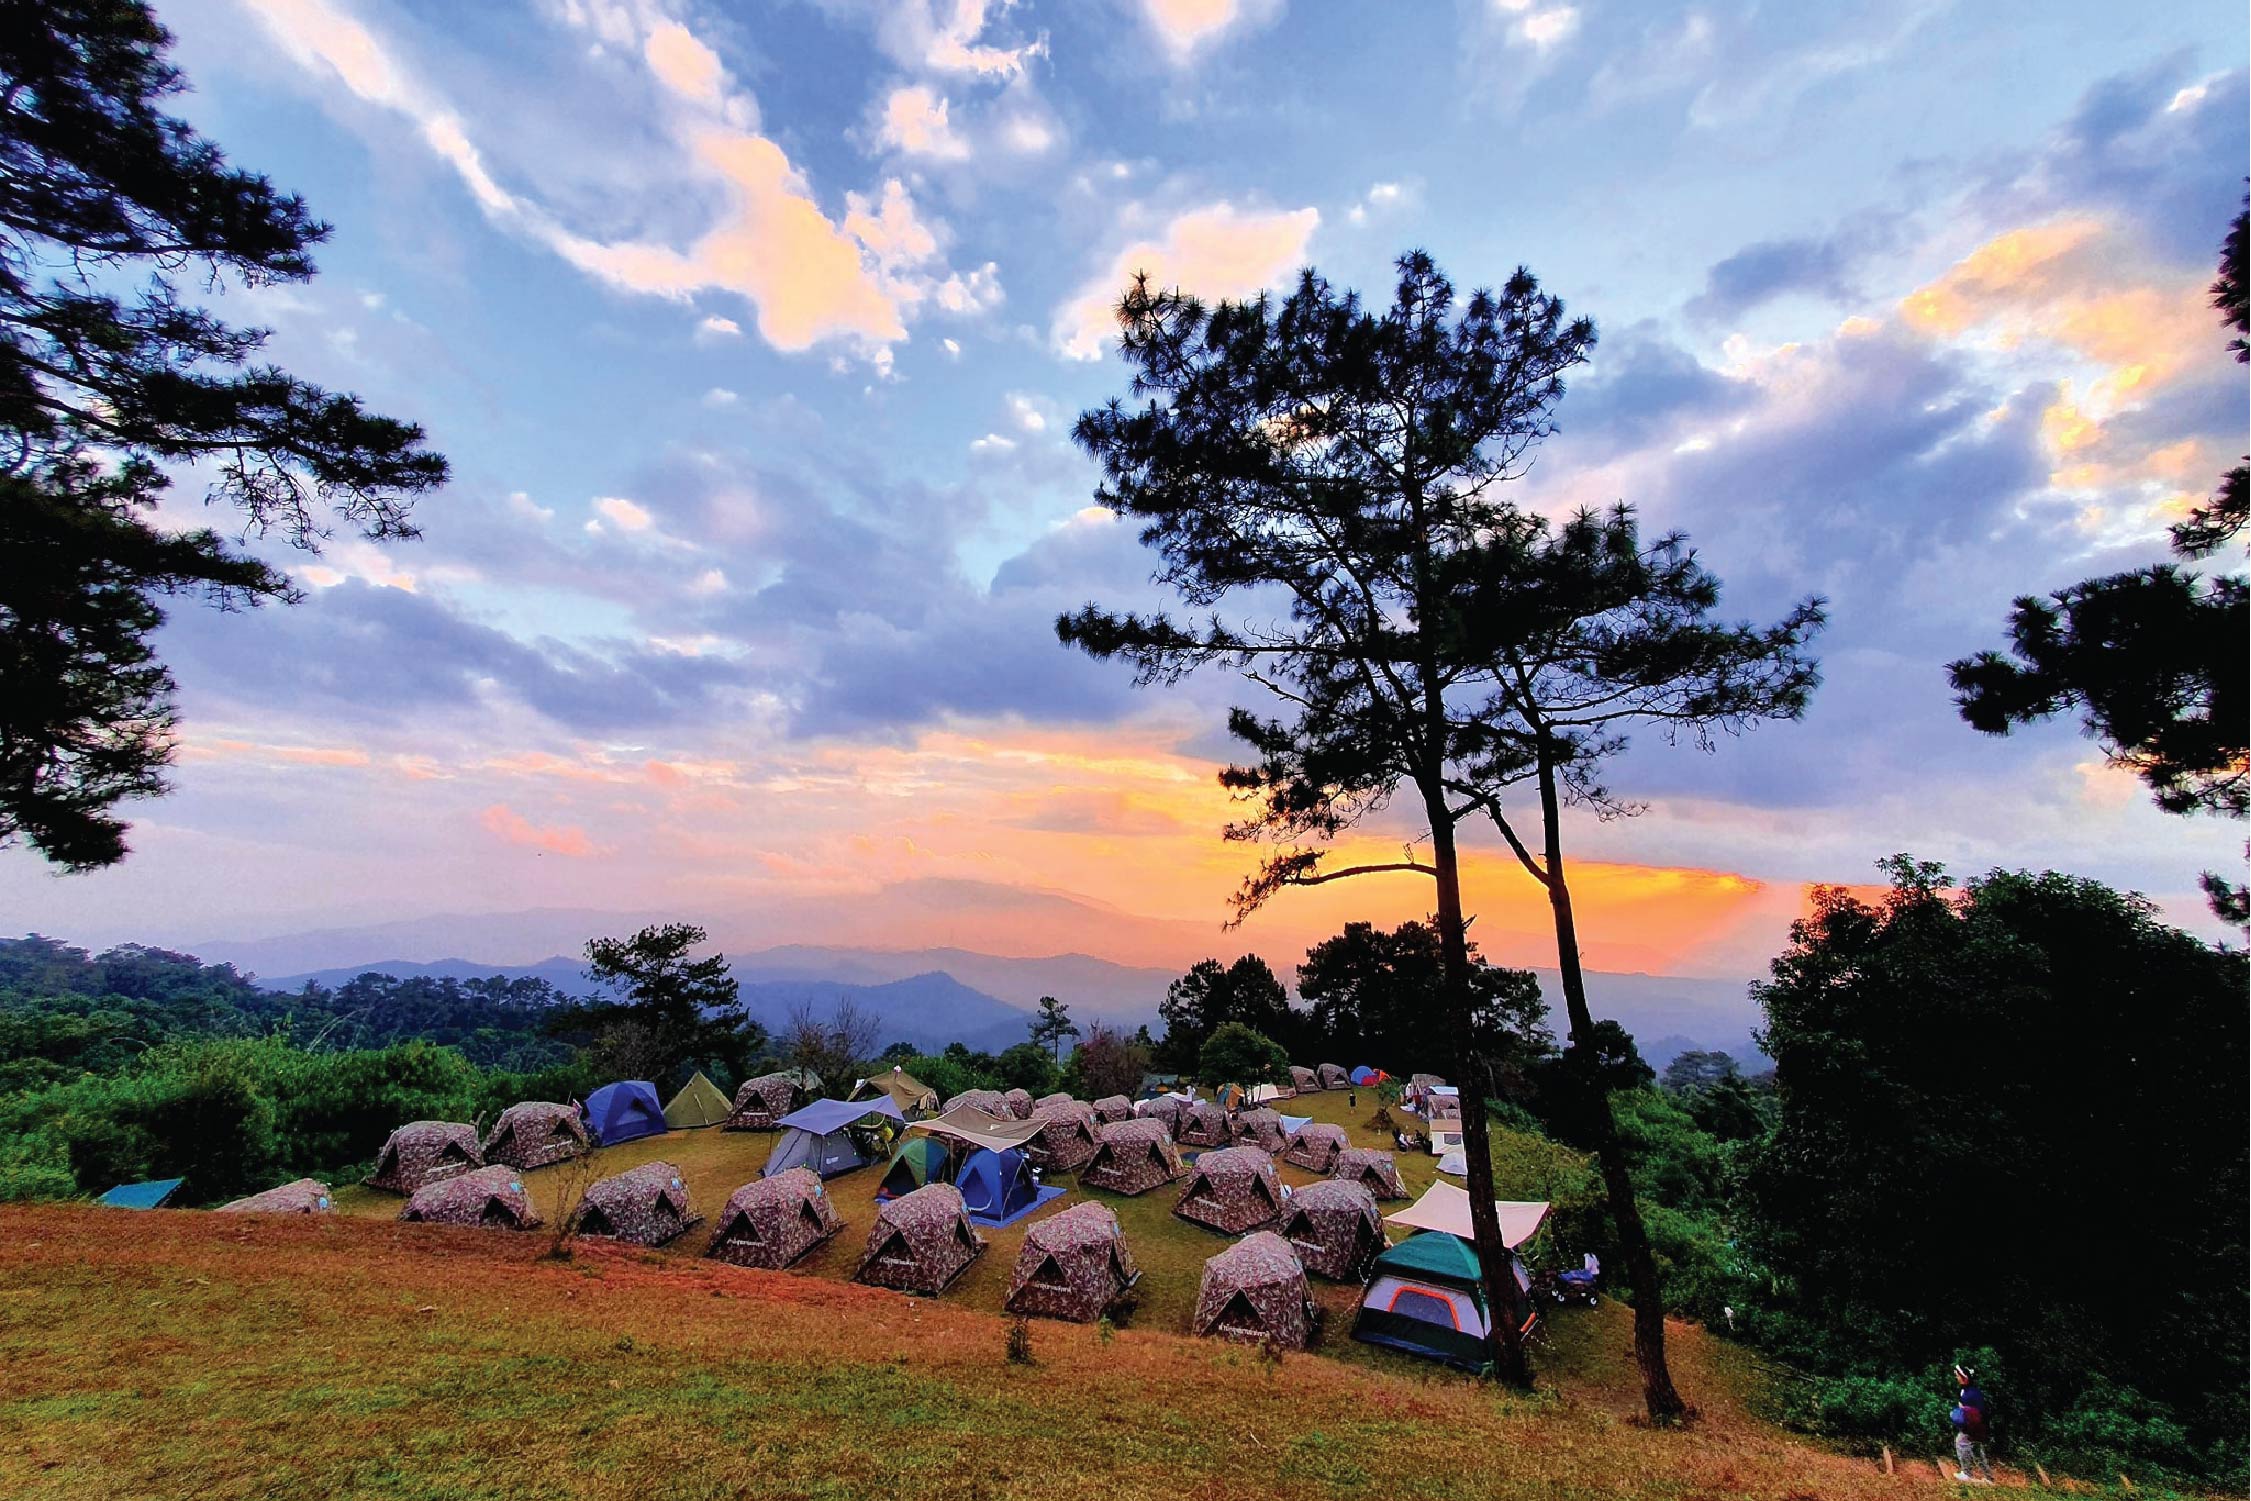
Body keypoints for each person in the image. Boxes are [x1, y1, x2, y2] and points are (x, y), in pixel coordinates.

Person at [1951, 1364, 1995, 1484]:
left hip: (1975, 1426)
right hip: (1976, 1426)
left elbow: (1976, 1412)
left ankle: (1967, 1473)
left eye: (1958, 1375)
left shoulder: (1971, 1394)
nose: (1957, 1377)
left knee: (1961, 1443)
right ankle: (1989, 1478)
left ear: (1965, 1378)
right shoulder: (1965, 1390)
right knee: (1976, 1450)